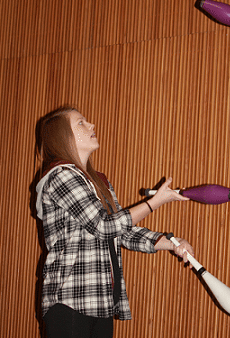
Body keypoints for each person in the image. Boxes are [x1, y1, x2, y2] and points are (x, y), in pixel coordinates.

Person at [35, 105, 194, 338]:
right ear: (63, 137)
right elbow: (103, 227)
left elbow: (122, 232)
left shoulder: (100, 182)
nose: (91, 125)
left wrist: (170, 242)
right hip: (69, 301)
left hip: (101, 302)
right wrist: (154, 202)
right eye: (81, 122)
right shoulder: (61, 175)